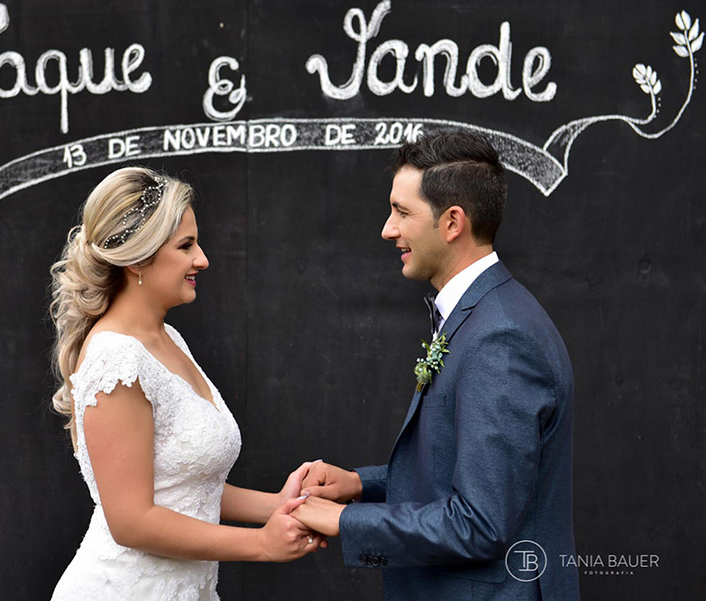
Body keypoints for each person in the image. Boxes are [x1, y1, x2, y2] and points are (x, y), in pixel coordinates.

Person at [292, 131, 580, 601]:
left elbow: (480, 522)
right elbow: (460, 468)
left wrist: (346, 520)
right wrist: (361, 485)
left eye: (402, 212)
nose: (388, 229)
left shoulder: (500, 339)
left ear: (452, 223)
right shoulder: (483, 315)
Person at [48, 167, 324, 600]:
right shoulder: (117, 359)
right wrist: (260, 544)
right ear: (138, 258)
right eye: (186, 246)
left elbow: (187, 484)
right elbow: (131, 521)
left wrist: (280, 506)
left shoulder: (168, 339)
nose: (203, 259)